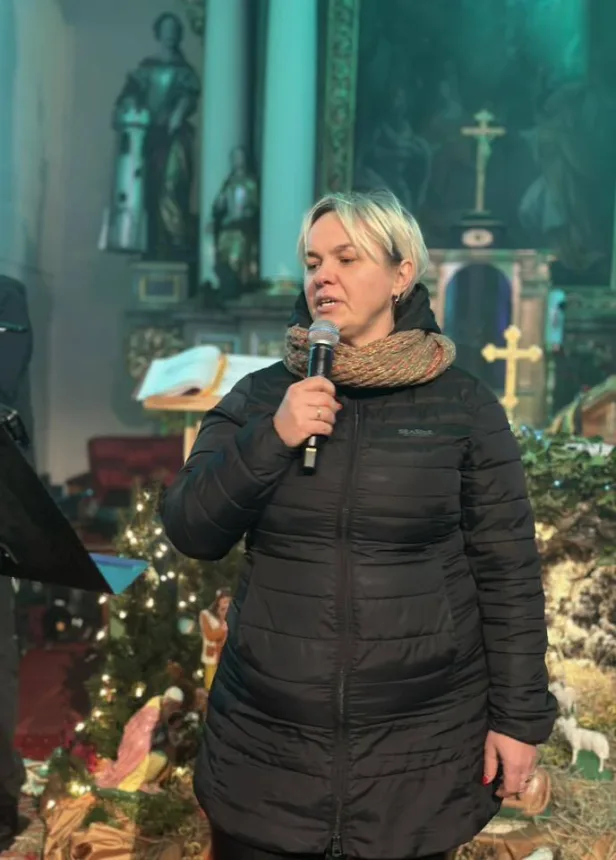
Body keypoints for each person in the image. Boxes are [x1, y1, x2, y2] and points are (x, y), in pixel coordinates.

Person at [161, 189, 556, 860]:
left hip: (418, 752)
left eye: (347, 259)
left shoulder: (463, 406)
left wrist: (519, 720)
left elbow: (509, 573)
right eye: (314, 262)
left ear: (402, 274)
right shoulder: (263, 396)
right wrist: (274, 437)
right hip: (267, 748)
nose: (324, 277)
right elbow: (191, 527)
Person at [199, 587, 231, 692]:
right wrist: (223, 627)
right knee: (211, 687)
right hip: (212, 658)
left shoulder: (232, 615)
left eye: (228, 601)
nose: (226, 603)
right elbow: (210, 636)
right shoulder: (206, 615)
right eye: (224, 600)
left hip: (227, 658)